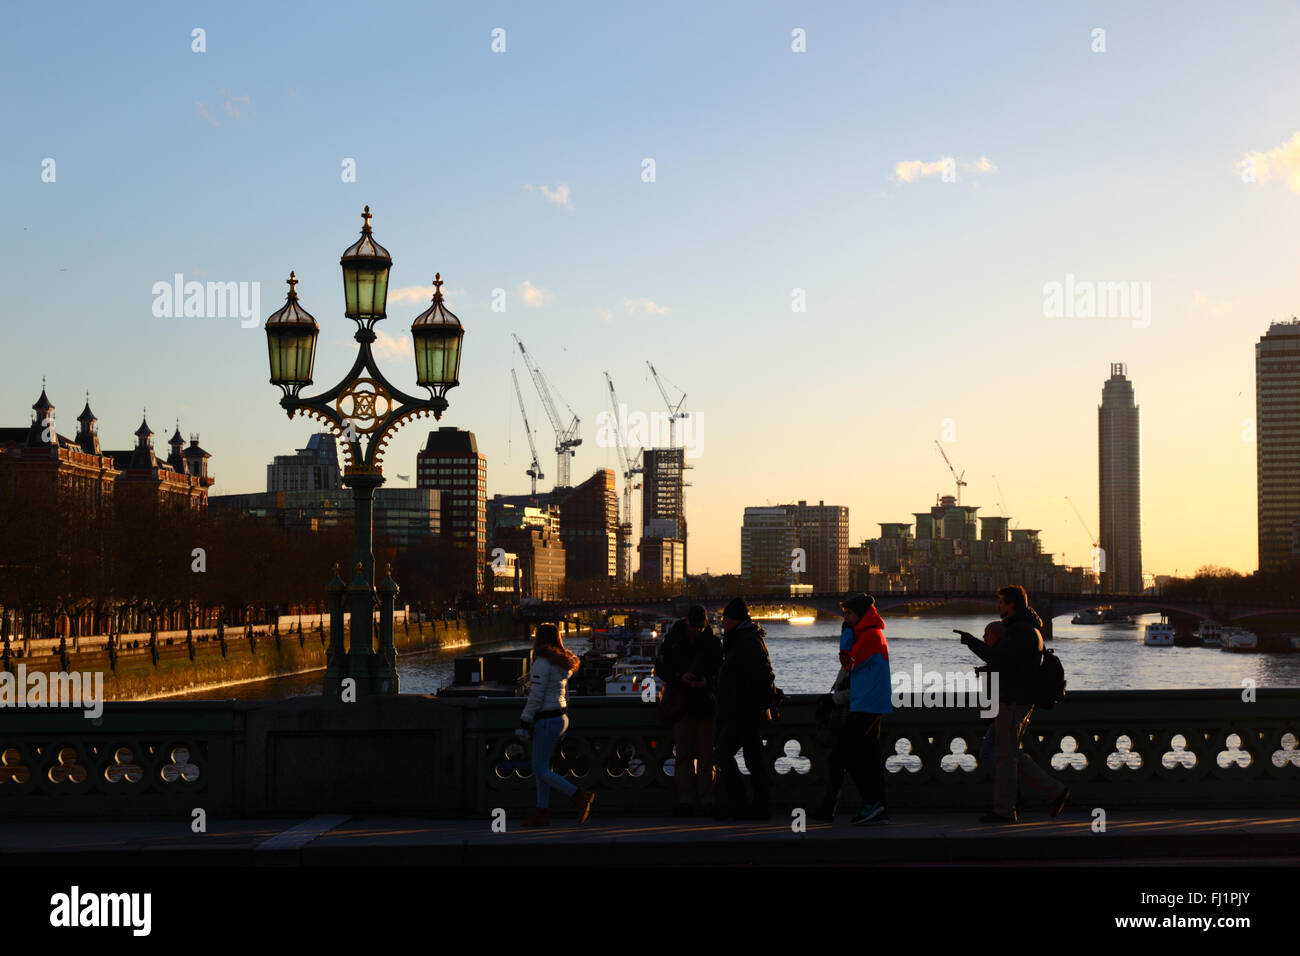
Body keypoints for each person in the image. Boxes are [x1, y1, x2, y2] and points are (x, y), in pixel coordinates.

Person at [957, 586, 1069, 823]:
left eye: (1001, 603)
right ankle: (1053, 791)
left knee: (1005, 758)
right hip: (1017, 698)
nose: (998, 607)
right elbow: (1013, 664)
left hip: (1012, 700)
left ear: (1012, 605)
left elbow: (999, 659)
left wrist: (971, 642)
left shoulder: (1018, 631)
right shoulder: (1030, 629)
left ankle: (1006, 810)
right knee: (1006, 753)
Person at [817, 593, 891, 825]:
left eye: (848, 613)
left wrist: (845, 638)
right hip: (867, 704)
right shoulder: (869, 634)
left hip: (866, 706)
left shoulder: (870, 636)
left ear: (860, 614)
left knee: (846, 755)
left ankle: (873, 805)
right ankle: (874, 807)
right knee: (866, 758)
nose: (844, 617)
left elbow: (848, 663)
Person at [516, 623, 596, 827]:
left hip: (546, 718)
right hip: (560, 717)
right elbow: (564, 694)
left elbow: (536, 695)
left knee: (539, 769)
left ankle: (579, 795)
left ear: (540, 639)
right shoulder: (561, 662)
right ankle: (541, 812)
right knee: (544, 768)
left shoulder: (542, 661)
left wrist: (524, 721)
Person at [656, 604, 724, 816]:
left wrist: (706, 682)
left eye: (701, 627)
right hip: (683, 704)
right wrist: (679, 677)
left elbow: (720, 673)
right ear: (687, 622)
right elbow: (661, 668)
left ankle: (706, 800)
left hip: (703, 704)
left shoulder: (712, 643)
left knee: (706, 755)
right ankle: (687, 800)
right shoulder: (673, 641)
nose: (698, 630)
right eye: (695, 627)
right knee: (684, 754)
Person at [714, 597, 776, 820]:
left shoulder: (745, 639)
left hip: (744, 710)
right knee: (753, 758)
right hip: (745, 710)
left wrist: (742, 698)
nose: (722, 622)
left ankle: (742, 804)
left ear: (734, 619)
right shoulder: (746, 637)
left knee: (724, 754)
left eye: (725, 618)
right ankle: (758, 806)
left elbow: (762, 675)